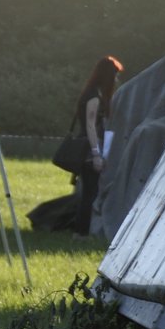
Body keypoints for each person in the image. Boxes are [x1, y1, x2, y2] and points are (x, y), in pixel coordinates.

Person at [70, 55, 123, 237]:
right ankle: (81, 233)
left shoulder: (92, 93)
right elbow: (90, 125)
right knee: (90, 193)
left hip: (91, 147)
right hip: (90, 149)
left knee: (89, 191)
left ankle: (81, 231)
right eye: (114, 75)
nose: (116, 79)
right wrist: (96, 154)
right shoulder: (94, 97)